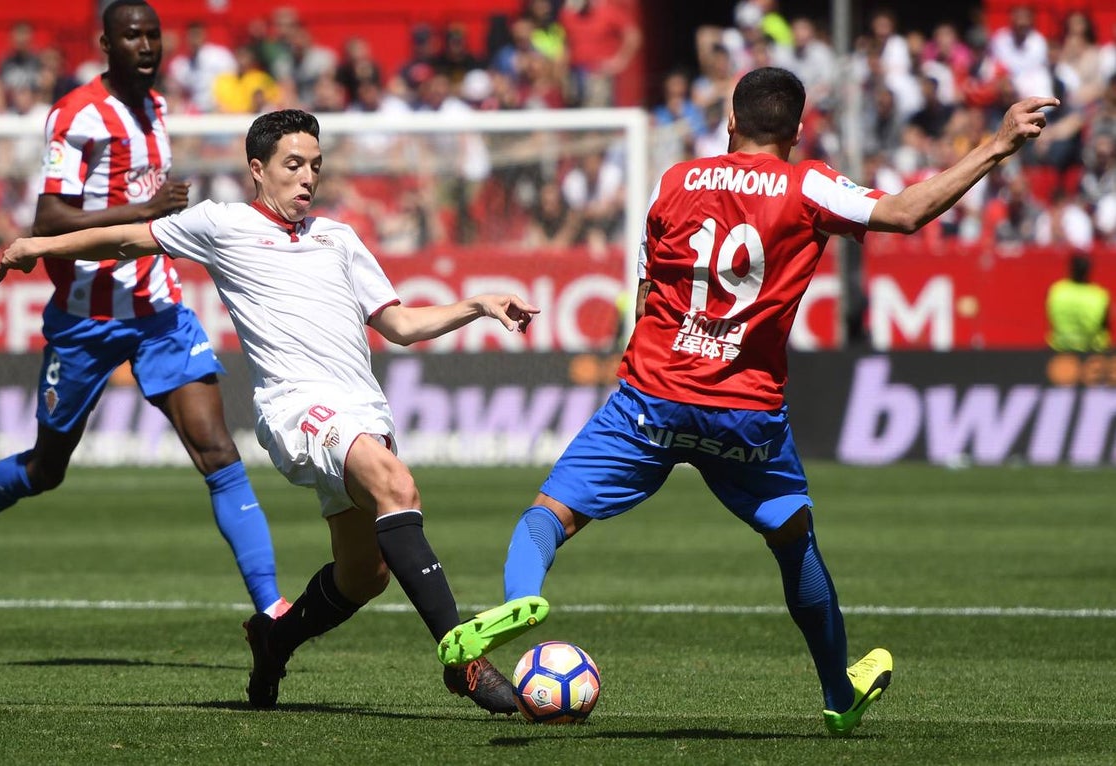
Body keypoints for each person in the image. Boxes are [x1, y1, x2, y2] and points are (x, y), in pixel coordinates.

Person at [437, 67, 1058, 736]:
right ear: (795, 130)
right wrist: (996, 145)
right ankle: (836, 693)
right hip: (745, 413)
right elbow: (905, 213)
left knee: (547, 517)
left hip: (653, 395)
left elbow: (647, 299)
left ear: (730, 123)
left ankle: (524, 597)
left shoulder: (675, 181)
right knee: (795, 544)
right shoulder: (809, 183)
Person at [0, 108, 541, 715]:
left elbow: (402, 325)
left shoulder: (340, 238)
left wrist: (479, 304)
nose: (307, 178)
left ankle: (274, 637)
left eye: (315, 166)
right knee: (397, 485)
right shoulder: (220, 224)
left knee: (365, 575)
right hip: (296, 408)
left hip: (362, 410)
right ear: (258, 170)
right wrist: (36, 246)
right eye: (293, 165)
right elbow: (126, 237)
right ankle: (461, 658)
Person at [0, 0, 287, 619]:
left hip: (158, 311)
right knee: (44, 469)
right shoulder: (76, 114)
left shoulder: (158, 107)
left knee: (218, 452)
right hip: (85, 320)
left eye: (153, 35)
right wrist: (144, 212)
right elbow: (49, 220)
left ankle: (272, 611)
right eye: (132, 36)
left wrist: (154, 219)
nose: (146, 45)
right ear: (106, 44)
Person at [1046, 251, 1111, 352]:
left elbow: (1051, 320)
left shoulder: (1057, 291)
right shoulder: (1099, 295)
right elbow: (1105, 327)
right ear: (1089, 270)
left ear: (1070, 268)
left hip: (1060, 350)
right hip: (1092, 352)